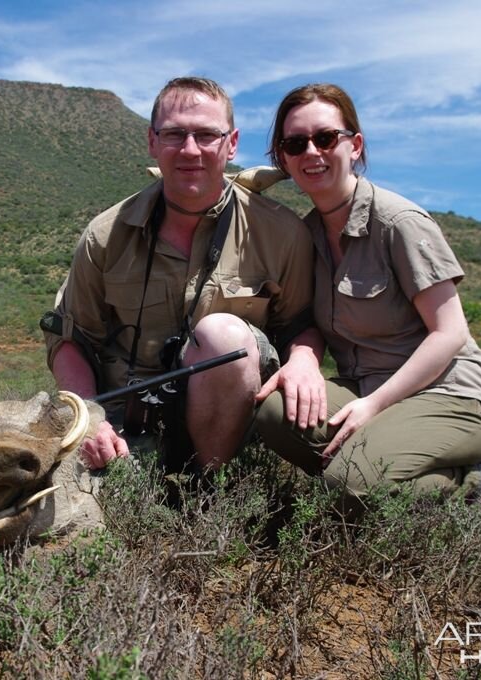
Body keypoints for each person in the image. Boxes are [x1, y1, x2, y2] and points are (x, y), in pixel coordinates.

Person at [255, 83, 481, 512]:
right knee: (274, 413)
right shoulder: (306, 235)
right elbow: (309, 322)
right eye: (295, 143)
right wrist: (302, 360)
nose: (312, 153)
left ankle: (478, 484)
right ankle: (374, 472)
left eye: (325, 138)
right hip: (367, 387)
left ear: (354, 145)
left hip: (451, 394)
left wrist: (372, 406)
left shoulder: (398, 223)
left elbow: (449, 333)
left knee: (348, 485)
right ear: (283, 157)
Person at [44, 77, 319, 472]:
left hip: (237, 424)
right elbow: (70, 337)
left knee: (223, 336)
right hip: (125, 422)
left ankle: (211, 490)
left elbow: (301, 324)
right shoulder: (105, 235)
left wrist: (305, 362)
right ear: (153, 142)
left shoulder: (282, 233)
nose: (190, 150)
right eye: (174, 134)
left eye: (207, 135)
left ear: (232, 143)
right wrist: (90, 419)